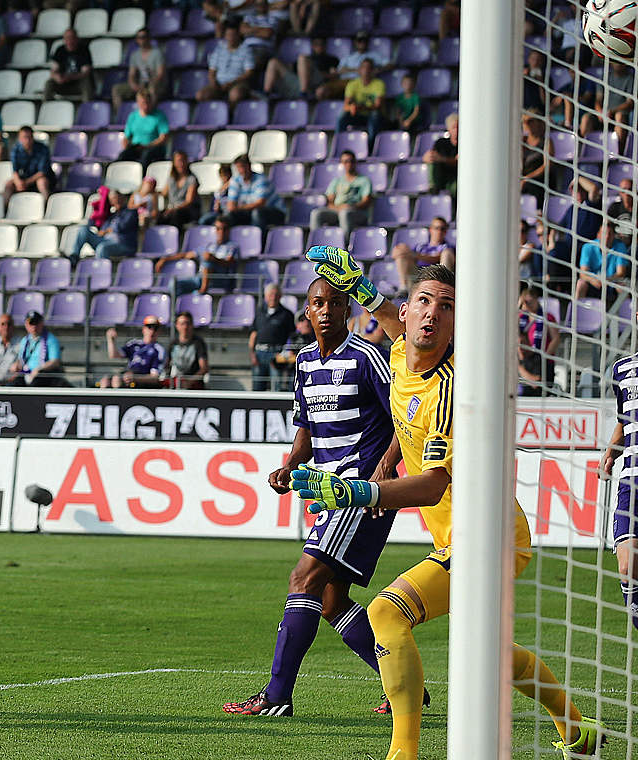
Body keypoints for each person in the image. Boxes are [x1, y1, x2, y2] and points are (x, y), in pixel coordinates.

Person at [300, 249, 603, 758]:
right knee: (487, 655)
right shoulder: (399, 352)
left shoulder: (449, 387)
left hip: (487, 535)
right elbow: (397, 327)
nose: (431, 313)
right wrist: (362, 290)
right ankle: (577, 729)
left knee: (386, 612)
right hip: (462, 534)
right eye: (424, 301)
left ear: (457, 321)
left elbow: (432, 485)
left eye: (447, 306)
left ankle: (404, 752)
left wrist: (360, 490)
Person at [224, 277, 400, 717]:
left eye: (335, 303)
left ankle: (276, 696)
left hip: (361, 491)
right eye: (318, 303)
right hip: (327, 490)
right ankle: (405, 685)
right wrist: (290, 465)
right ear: (307, 312)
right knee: (330, 602)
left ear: (347, 311)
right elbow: (306, 429)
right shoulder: (303, 361)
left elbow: (404, 414)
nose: (325, 310)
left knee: (303, 579)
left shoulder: (367, 357)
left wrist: (381, 471)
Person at [602, 349, 638, 636]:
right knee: (626, 566)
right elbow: (624, 419)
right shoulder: (621, 368)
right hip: (631, 480)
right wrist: (612, 452)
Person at [310, 151, 373, 238]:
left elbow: (366, 201)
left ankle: (344, 245)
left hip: (356, 212)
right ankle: (316, 243)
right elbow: (329, 201)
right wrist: (338, 208)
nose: (349, 164)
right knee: (316, 213)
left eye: (351, 161)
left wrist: (352, 207)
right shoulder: (337, 181)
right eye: (346, 161)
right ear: (342, 164)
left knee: (344, 213)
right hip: (337, 210)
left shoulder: (364, 180)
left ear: (355, 163)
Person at [391, 217, 456, 297]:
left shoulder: (447, 247)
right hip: (419, 275)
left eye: (443, 229)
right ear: (430, 230)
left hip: (437, 275)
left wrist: (417, 256)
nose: (439, 231)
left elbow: (436, 258)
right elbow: (398, 254)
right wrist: (400, 250)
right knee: (402, 251)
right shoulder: (421, 247)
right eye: (436, 228)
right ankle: (404, 288)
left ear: (446, 232)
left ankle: (444, 285)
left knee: (447, 254)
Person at [70, 188, 137, 264]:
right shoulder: (111, 216)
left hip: (123, 244)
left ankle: (100, 272)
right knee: (83, 230)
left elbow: (121, 226)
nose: (115, 201)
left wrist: (106, 231)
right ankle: (74, 257)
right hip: (106, 240)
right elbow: (99, 228)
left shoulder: (131, 212)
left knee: (102, 247)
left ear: (122, 197)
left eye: (116, 197)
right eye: (112, 199)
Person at [220, 155, 285, 231]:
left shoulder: (261, 180)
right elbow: (231, 206)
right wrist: (236, 208)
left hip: (276, 212)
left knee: (257, 213)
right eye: (239, 168)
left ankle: (258, 241)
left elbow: (260, 203)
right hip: (249, 211)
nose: (242, 170)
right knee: (228, 215)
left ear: (249, 166)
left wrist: (239, 208)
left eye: (243, 167)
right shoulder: (235, 180)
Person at [249, 285, 295, 392]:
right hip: (259, 353)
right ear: (266, 296)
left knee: (277, 386)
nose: (273, 297)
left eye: (276, 295)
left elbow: (291, 337)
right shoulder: (259, 312)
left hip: (277, 353)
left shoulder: (286, 314)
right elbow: (253, 334)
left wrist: (285, 353)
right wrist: (252, 354)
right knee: (257, 387)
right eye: (270, 295)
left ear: (280, 296)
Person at [198, 21, 254, 106]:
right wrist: (214, 83)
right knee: (201, 95)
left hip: (237, 83)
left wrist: (231, 83)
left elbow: (249, 72)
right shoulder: (219, 49)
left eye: (233, 35)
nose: (230, 38)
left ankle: (231, 116)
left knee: (235, 95)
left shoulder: (246, 50)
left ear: (238, 36)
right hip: (219, 83)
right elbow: (212, 71)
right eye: (228, 35)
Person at [101, 316, 167, 389]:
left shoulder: (158, 350)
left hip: (143, 382)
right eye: (149, 326)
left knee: (117, 380)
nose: (152, 330)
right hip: (129, 375)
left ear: (159, 331)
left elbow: (155, 378)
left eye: (155, 328)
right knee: (105, 381)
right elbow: (114, 355)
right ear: (143, 329)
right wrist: (111, 340)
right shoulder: (134, 344)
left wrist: (135, 378)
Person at [517, 284, 558, 396]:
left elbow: (555, 339)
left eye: (530, 301)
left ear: (536, 300)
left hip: (542, 360)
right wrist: (519, 305)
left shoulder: (547, 318)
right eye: (525, 301)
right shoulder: (520, 318)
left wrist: (544, 355)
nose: (528, 304)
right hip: (525, 359)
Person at [114, 30, 166, 113]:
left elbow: (160, 74)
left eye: (143, 37)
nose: (141, 40)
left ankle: (149, 114)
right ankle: (121, 116)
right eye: (139, 38)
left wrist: (151, 83)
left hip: (155, 84)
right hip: (141, 83)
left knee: (152, 89)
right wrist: (133, 84)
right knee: (116, 89)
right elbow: (132, 74)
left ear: (149, 38)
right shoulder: (135, 55)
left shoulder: (157, 53)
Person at [336, 59, 383, 147]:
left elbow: (378, 105)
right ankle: (339, 144)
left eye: (368, 68)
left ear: (372, 70)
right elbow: (346, 105)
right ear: (359, 70)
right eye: (364, 67)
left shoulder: (379, 84)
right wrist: (352, 107)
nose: (366, 70)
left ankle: (370, 147)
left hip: (370, 115)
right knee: (342, 116)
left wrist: (362, 107)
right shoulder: (352, 84)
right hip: (357, 115)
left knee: (375, 115)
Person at [9, 311, 64, 387]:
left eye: (37, 323)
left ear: (42, 323)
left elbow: (55, 362)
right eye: (31, 323)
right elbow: (22, 360)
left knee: (37, 382)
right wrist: (16, 365)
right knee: (13, 384)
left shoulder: (51, 339)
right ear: (26, 325)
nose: (34, 326)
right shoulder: (24, 340)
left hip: (43, 375)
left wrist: (39, 369)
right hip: (26, 374)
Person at [119, 90, 170, 167]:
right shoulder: (133, 116)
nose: (146, 106)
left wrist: (147, 146)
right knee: (123, 156)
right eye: (143, 103)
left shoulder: (159, 116)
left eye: (147, 102)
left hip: (153, 148)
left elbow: (163, 137)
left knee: (146, 156)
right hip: (137, 147)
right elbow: (126, 137)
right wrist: (127, 148)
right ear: (138, 103)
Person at [4, 127, 54, 204]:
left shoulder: (43, 149)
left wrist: (26, 183)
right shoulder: (16, 150)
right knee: (8, 185)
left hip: (40, 179)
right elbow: (15, 170)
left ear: (32, 137)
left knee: (42, 182)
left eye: (29, 137)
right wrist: (18, 182)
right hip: (24, 178)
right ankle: (5, 209)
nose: (27, 140)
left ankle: (46, 206)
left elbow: (42, 172)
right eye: (24, 137)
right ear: (19, 138)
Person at [43, 29, 94, 102]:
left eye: (72, 38)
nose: (70, 41)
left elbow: (86, 73)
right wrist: (57, 77)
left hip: (78, 84)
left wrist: (70, 77)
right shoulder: (60, 50)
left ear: (76, 39)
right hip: (63, 84)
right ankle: (46, 107)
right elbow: (53, 71)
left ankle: (86, 108)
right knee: (49, 83)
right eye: (67, 38)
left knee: (86, 82)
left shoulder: (84, 50)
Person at [167, 312, 210, 389]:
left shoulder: (199, 343)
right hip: (177, 384)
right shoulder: (173, 344)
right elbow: (166, 365)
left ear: (192, 325)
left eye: (188, 323)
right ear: (177, 326)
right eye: (182, 324)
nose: (185, 327)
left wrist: (189, 382)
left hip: (195, 386)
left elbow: (204, 368)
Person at [158, 151, 200, 227]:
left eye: (183, 160)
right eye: (178, 161)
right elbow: (163, 193)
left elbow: (188, 201)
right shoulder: (171, 179)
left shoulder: (192, 179)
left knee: (176, 215)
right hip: (172, 209)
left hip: (186, 211)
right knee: (159, 216)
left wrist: (174, 209)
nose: (181, 164)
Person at [423, 112, 458, 195]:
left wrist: (442, 159)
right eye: (454, 128)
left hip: (455, 179)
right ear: (449, 129)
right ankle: (433, 186)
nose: (456, 130)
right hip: (442, 177)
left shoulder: (465, 145)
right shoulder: (440, 143)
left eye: (458, 127)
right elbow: (432, 156)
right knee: (432, 160)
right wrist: (426, 158)